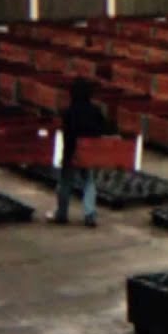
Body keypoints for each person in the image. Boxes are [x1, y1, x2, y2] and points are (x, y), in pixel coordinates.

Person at [47, 78, 110, 227]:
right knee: (89, 182)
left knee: (65, 183)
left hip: (71, 152)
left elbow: (65, 133)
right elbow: (103, 129)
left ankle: (62, 213)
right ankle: (89, 214)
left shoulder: (68, 112)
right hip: (89, 152)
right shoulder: (95, 111)